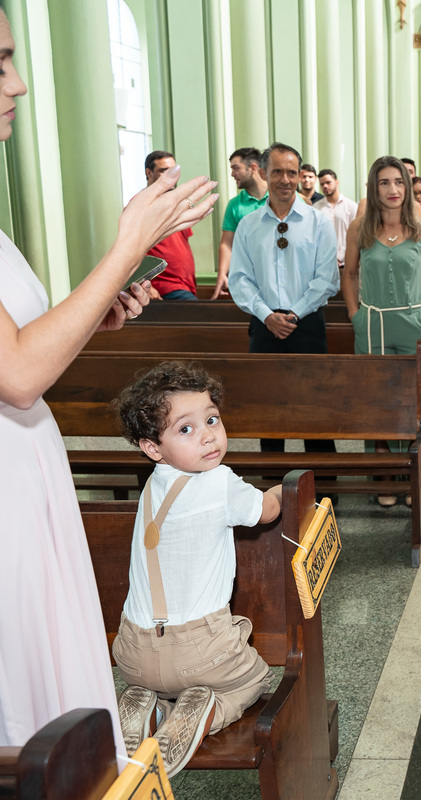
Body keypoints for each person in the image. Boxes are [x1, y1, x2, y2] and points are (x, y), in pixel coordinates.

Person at [0, 7, 217, 755]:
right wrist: (128, 245)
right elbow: (20, 374)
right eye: (0, 63)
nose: (19, 84)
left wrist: (99, 314)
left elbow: (22, 348)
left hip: (26, 471)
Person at [110, 362, 279, 777]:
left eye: (211, 419)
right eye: (186, 429)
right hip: (201, 653)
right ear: (153, 446)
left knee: (165, 676)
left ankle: (145, 703)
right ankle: (205, 709)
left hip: (131, 652)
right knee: (254, 679)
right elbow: (267, 510)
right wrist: (284, 490)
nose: (207, 435)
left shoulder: (154, 481)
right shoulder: (219, 482)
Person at [228, 142, 339, 454]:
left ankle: (323, 486)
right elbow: (240, 279)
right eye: (278, 172)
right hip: (264, 325)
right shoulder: (249, 226)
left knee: (315, 407)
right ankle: (273, 485)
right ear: (264, 173)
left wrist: (294, 314)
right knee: (269, 409)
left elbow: (327, 279)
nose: (286, 180)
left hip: (306, 324)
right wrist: (267, 315)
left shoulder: (318, 222)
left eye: (293, 173)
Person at [343, 156, 421, 501]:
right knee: (379, 406)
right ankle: (384, 481)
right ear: (374, 187)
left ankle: (419, 482)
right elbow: (350, 274)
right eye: (385, 182)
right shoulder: (359, 228)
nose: (393, 189)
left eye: (398, 182)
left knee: (419, 406)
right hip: (372, 326)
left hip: (415, 326)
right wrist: (356, 315)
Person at [143, 150, 199, 300]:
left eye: (174, 171)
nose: (171, 176)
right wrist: (146, 284)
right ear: (149, 173)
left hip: (185, 285)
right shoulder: (139, 206)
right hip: (165, 288)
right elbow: (130, 251)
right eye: (164, 171)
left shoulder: (178, 203)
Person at [213, 147, 267, 299]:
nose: (232, 174)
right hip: (248, 280)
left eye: (236, 168)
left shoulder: (281, 197)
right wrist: (222, 274)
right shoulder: (234, 205)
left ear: (253, 168)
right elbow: (227, 244)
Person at [312, 168, 358, 268]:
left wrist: (339, 257)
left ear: (336, 182)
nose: (325, 186)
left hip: (348, 262)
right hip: (324, 263)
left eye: (328, 182)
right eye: (322, 184)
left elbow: (354, 235)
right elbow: (315, 235)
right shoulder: (316, 207)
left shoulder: (351, 206)